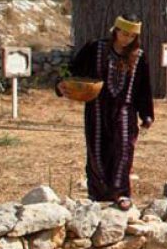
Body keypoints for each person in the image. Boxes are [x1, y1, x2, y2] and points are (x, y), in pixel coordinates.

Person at [57, 14, 154, 210]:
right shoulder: (95, 48)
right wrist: (61, 85)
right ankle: (98, 194)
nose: (127, 38)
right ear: (115, 30)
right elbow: (72, 69)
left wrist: (146, 114)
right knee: (97, 150)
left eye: (131, 36)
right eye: (123, 33)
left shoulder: (139, 56)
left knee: (123, 150)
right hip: (97, 110)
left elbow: (144, 88)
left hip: (125, 111)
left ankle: (120, 193)